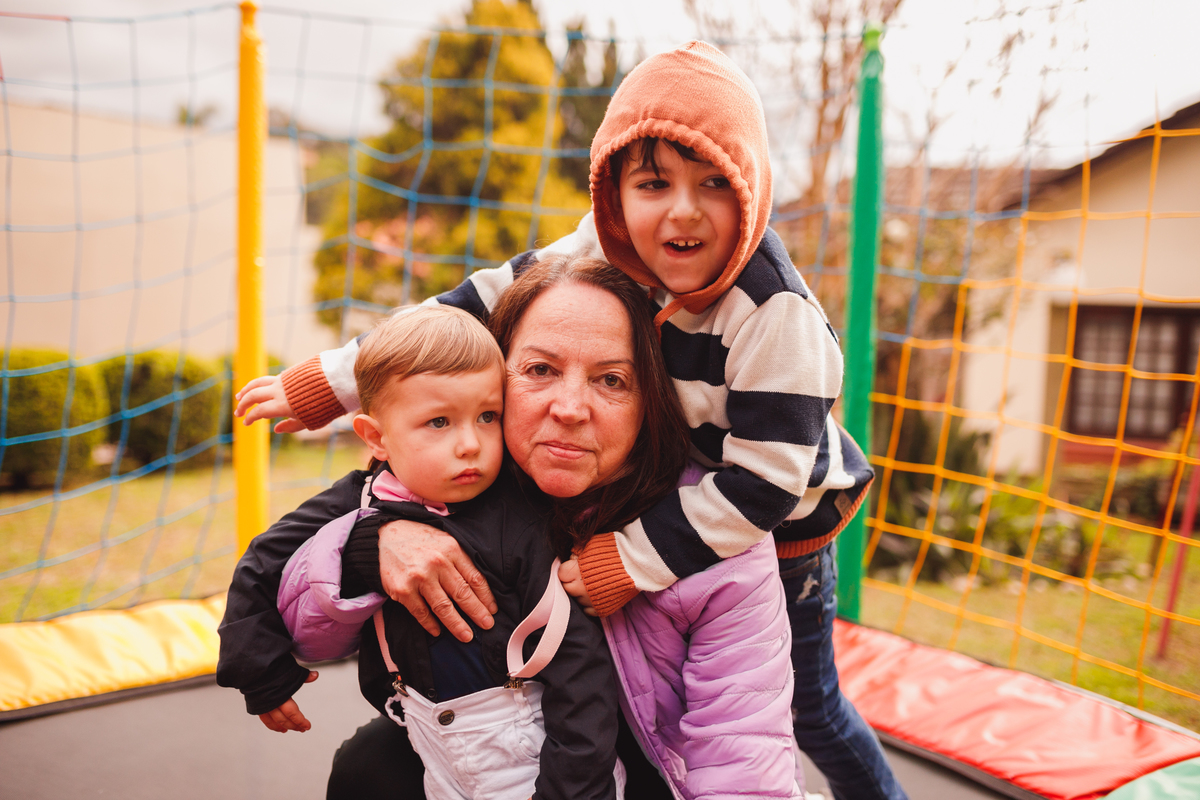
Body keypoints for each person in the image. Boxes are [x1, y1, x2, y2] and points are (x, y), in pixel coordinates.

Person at [234, 41, 904, 800]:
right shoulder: (597, 248)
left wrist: (630, 560)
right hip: (653, 490)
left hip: (778, 522)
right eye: (654, 183)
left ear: (752, 194)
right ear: (613, 194)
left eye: (715, 183)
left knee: (804, 709)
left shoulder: (776, 316)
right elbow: (467, 309)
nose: (682, 211)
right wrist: (336, 381)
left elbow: (764, 483)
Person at [220, 255, 804, 799]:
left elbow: (743, 757)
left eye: (611, 380)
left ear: (650, 398)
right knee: (370, 766)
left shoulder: (718, 533)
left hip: (652, 779)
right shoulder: (446, 486)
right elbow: (305, 630)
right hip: (482, 753)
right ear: (498, 378)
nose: (570, 408)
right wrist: (366, 546)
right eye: (540, 369)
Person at [272, 303, 624, 800]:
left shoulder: (519, 524)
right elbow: (268, 556)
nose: (469, 445)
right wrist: (257, 666)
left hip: (532, 756)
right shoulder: (371, 493)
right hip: (429, 735)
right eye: (440, 422)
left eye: (487, 417)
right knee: (362, 766)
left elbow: (582, 682)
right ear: (377, 438)